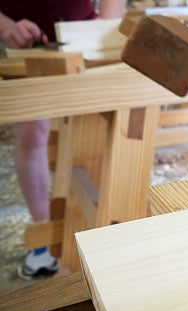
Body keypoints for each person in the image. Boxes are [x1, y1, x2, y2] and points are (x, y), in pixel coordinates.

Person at [0, 0, 126, 278]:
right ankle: (45, 234)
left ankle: (104, 227)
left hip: (83, 31)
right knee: (32, 133)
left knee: (102, 124)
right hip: (20, 38)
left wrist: (105, 21)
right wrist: (5, 25)